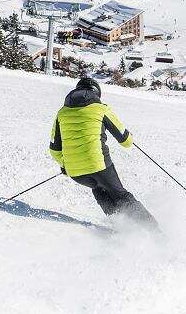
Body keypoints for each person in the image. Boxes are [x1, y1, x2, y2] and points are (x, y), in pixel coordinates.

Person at [49, 78, 158, 229]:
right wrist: (128, 136)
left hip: (76, 173)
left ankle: (121, 228)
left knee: (98, 189)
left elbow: (54, 150)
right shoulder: (101, 109)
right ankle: (155, 232)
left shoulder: (62, 113)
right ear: (96, 93)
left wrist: (65, 165)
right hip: (98, 165)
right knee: (121, 195)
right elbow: (125, 141)